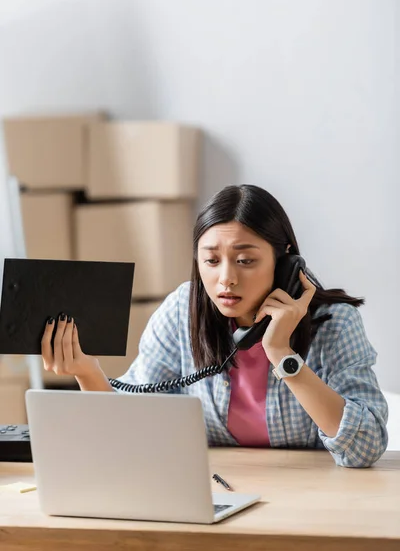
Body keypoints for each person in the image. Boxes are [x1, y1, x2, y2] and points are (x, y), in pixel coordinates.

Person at [42, 184, 388, 468]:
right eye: (211, 260)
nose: (226, 279)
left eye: (245, 261)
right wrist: (88, 373)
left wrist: (283, 355)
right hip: (218, 497)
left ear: (284, 261)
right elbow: (128, 432)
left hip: (315, 504)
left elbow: (365, 448)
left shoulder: (334, 322)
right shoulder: (182, 310)